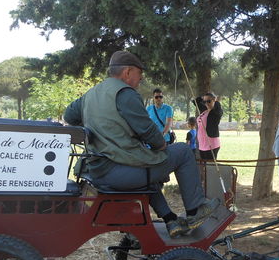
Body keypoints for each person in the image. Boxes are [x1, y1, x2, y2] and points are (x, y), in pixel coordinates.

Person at [64, 50, 219, 238]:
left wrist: (99, 131)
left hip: (97, 170)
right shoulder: (125, 93)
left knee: (146, 166)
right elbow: (147, 131)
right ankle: (195, 211)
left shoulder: (92, 93)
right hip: (118, 171)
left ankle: (171, 220)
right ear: (128, 72)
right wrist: (161, 146)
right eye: (139, 75)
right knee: (183, 152)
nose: (140, 80)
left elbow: (69, 116)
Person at [194, 92, 222, 161]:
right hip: (202, 145)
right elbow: (196, 101)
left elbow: (218, 108)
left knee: (210, 167)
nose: (207, 103)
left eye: (209, 101)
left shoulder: (216, 112)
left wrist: (216, 101)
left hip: (211, 145)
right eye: (205, 102)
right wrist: (202, 97)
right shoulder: (204, 110)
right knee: (204, 168)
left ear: (213, 100)